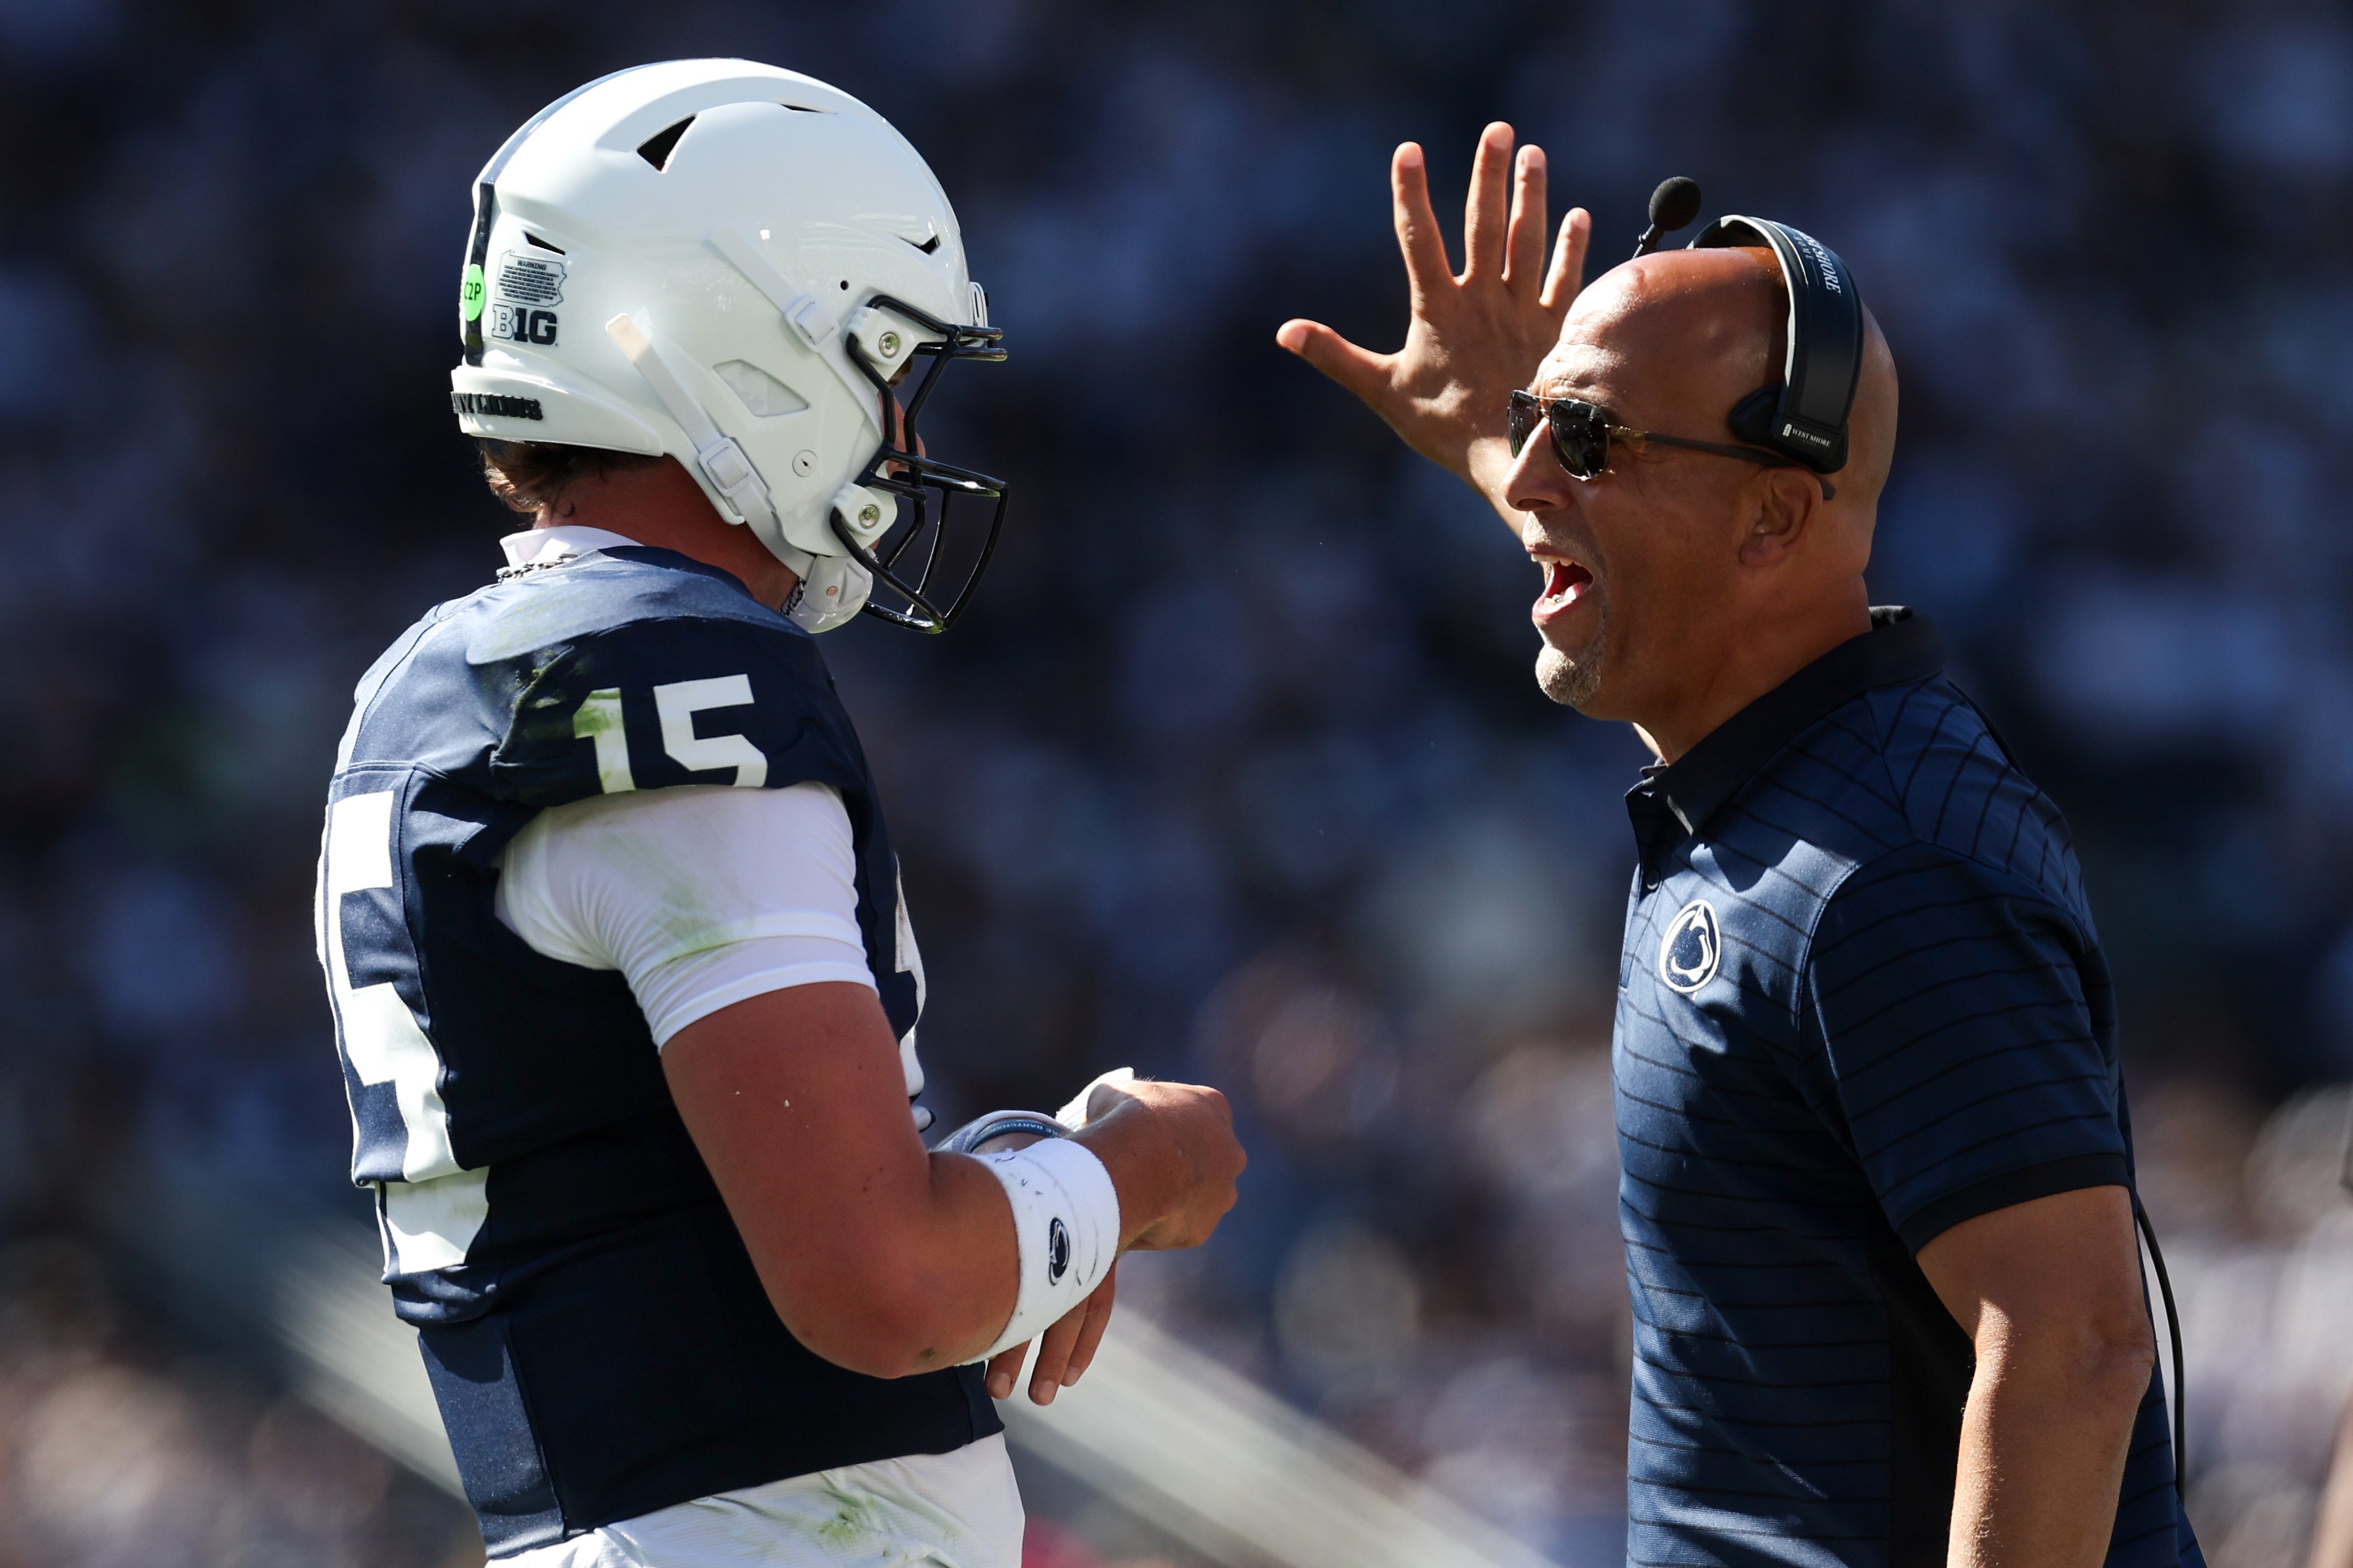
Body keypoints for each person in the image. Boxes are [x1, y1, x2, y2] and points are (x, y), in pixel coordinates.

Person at [315, 60, 1243, 1568]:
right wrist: (1128, 1171)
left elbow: (650, 1170)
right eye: (884, 363)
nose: (899, 433)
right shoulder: (659, 674)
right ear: (739, 342)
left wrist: (1008, 1188)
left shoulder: (437, 682)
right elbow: (881, 1288)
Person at [1277, 125, 2201, 1567]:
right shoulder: (1774, 770)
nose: (1527, 480)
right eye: (1532, 427)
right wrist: (1500, 435)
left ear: (1778, 513)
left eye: (1579, 437)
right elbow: (1634, 554)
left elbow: (2074, 1350)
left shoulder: (1890, 861)